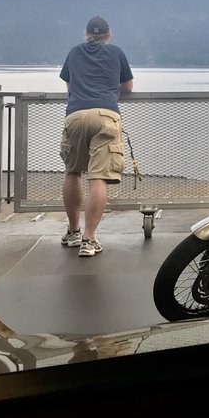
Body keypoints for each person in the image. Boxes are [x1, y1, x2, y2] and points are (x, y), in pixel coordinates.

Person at [59, 15, 134, 257]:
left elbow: (69, 87)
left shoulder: (74, 52)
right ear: (108, 34)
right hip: (106, 114)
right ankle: (89, 240)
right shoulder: (116, 52)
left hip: (76, 114)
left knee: (72, 171)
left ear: (87, 33)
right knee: (98, 178)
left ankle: (73, 231)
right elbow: (128, 86)